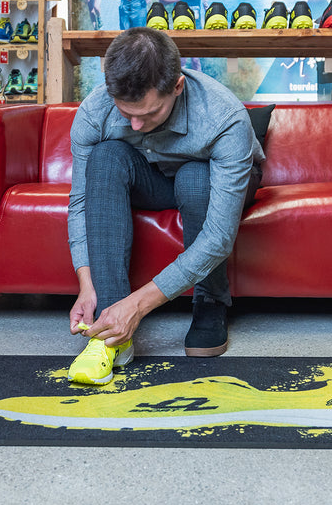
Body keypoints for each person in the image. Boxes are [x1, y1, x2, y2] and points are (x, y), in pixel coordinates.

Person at [66, 27, 265, 386]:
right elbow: (79, 202)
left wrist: (139, 306)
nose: (136, 124)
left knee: (193, 177)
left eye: (149, 113)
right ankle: (112, 327)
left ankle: (210, 301)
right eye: (126, 113)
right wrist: (87, 282)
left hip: (214, 179)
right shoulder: (94, 111)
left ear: (177, 86)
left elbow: (219, 236)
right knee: (106, 157)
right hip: (155, 174)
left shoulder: (224, 116)